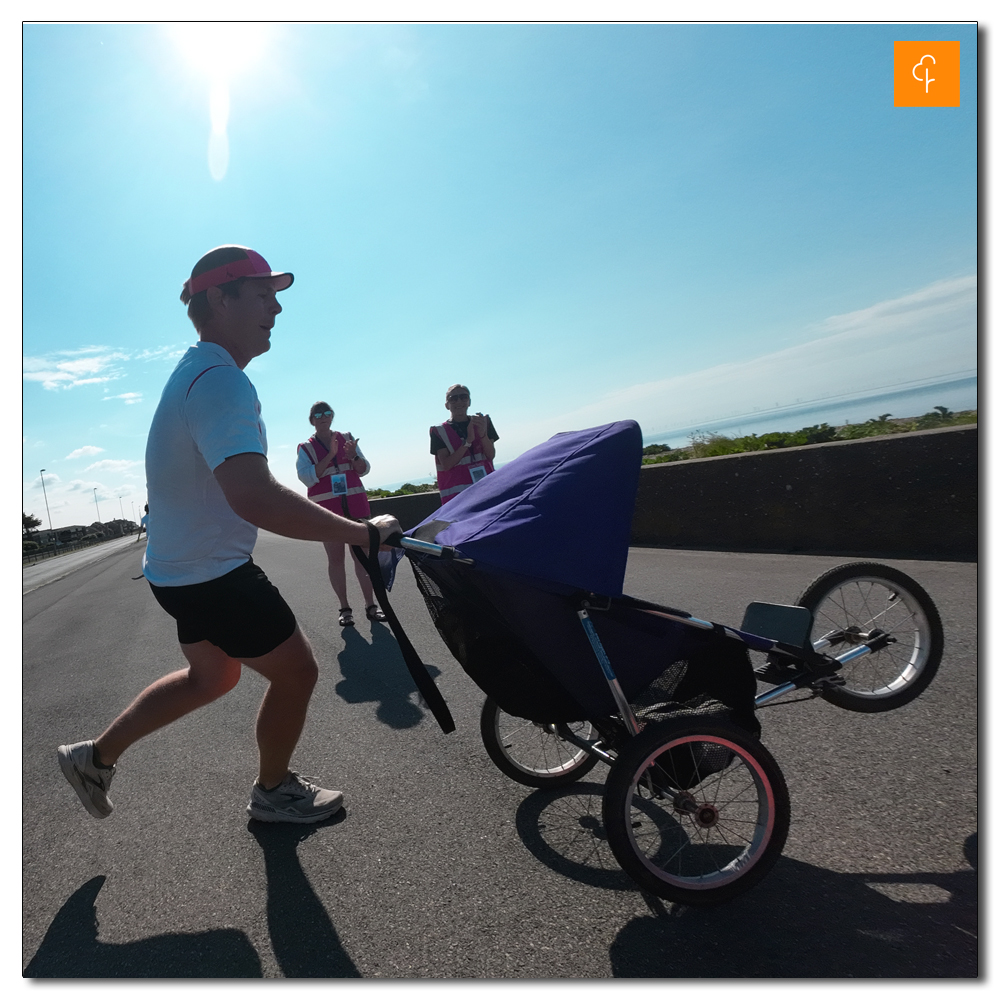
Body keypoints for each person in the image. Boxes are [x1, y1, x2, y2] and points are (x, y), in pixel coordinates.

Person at [57, 245, 400, 826]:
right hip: (212, 572)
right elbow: (255, 495)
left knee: (212, 676)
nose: (277, 308)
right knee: (299, 672)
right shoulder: (221, 381)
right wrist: (362, 534)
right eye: (263, 293)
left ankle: (94, 756)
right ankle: (273, 792)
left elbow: (249, 487)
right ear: (220, 297)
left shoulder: (197, 370)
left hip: (176, 570)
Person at [296, 402, 386, 627]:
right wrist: (330, 456)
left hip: (355, 507)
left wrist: (354, 456)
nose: (323, 417)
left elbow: (363, 469)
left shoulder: (347, 438)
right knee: (336, 560)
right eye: (318, 414)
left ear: (332, 416)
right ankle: (345, 608)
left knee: (363, 558)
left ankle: (371, 605)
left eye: (327, 413)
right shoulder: (305, 448)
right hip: (327, 513)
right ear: (312, 419)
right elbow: (306, 477)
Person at [430, 384, 499, 504]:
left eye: (463, 397)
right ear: (447, 405)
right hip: (458, 500)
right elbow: (446, 464)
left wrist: (482, 435)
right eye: (453, 398)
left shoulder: (483, 422)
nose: (459, 401)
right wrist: (467, 442)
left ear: (469, 401)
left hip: (486, 491)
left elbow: (490, 455)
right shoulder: (439, 431)